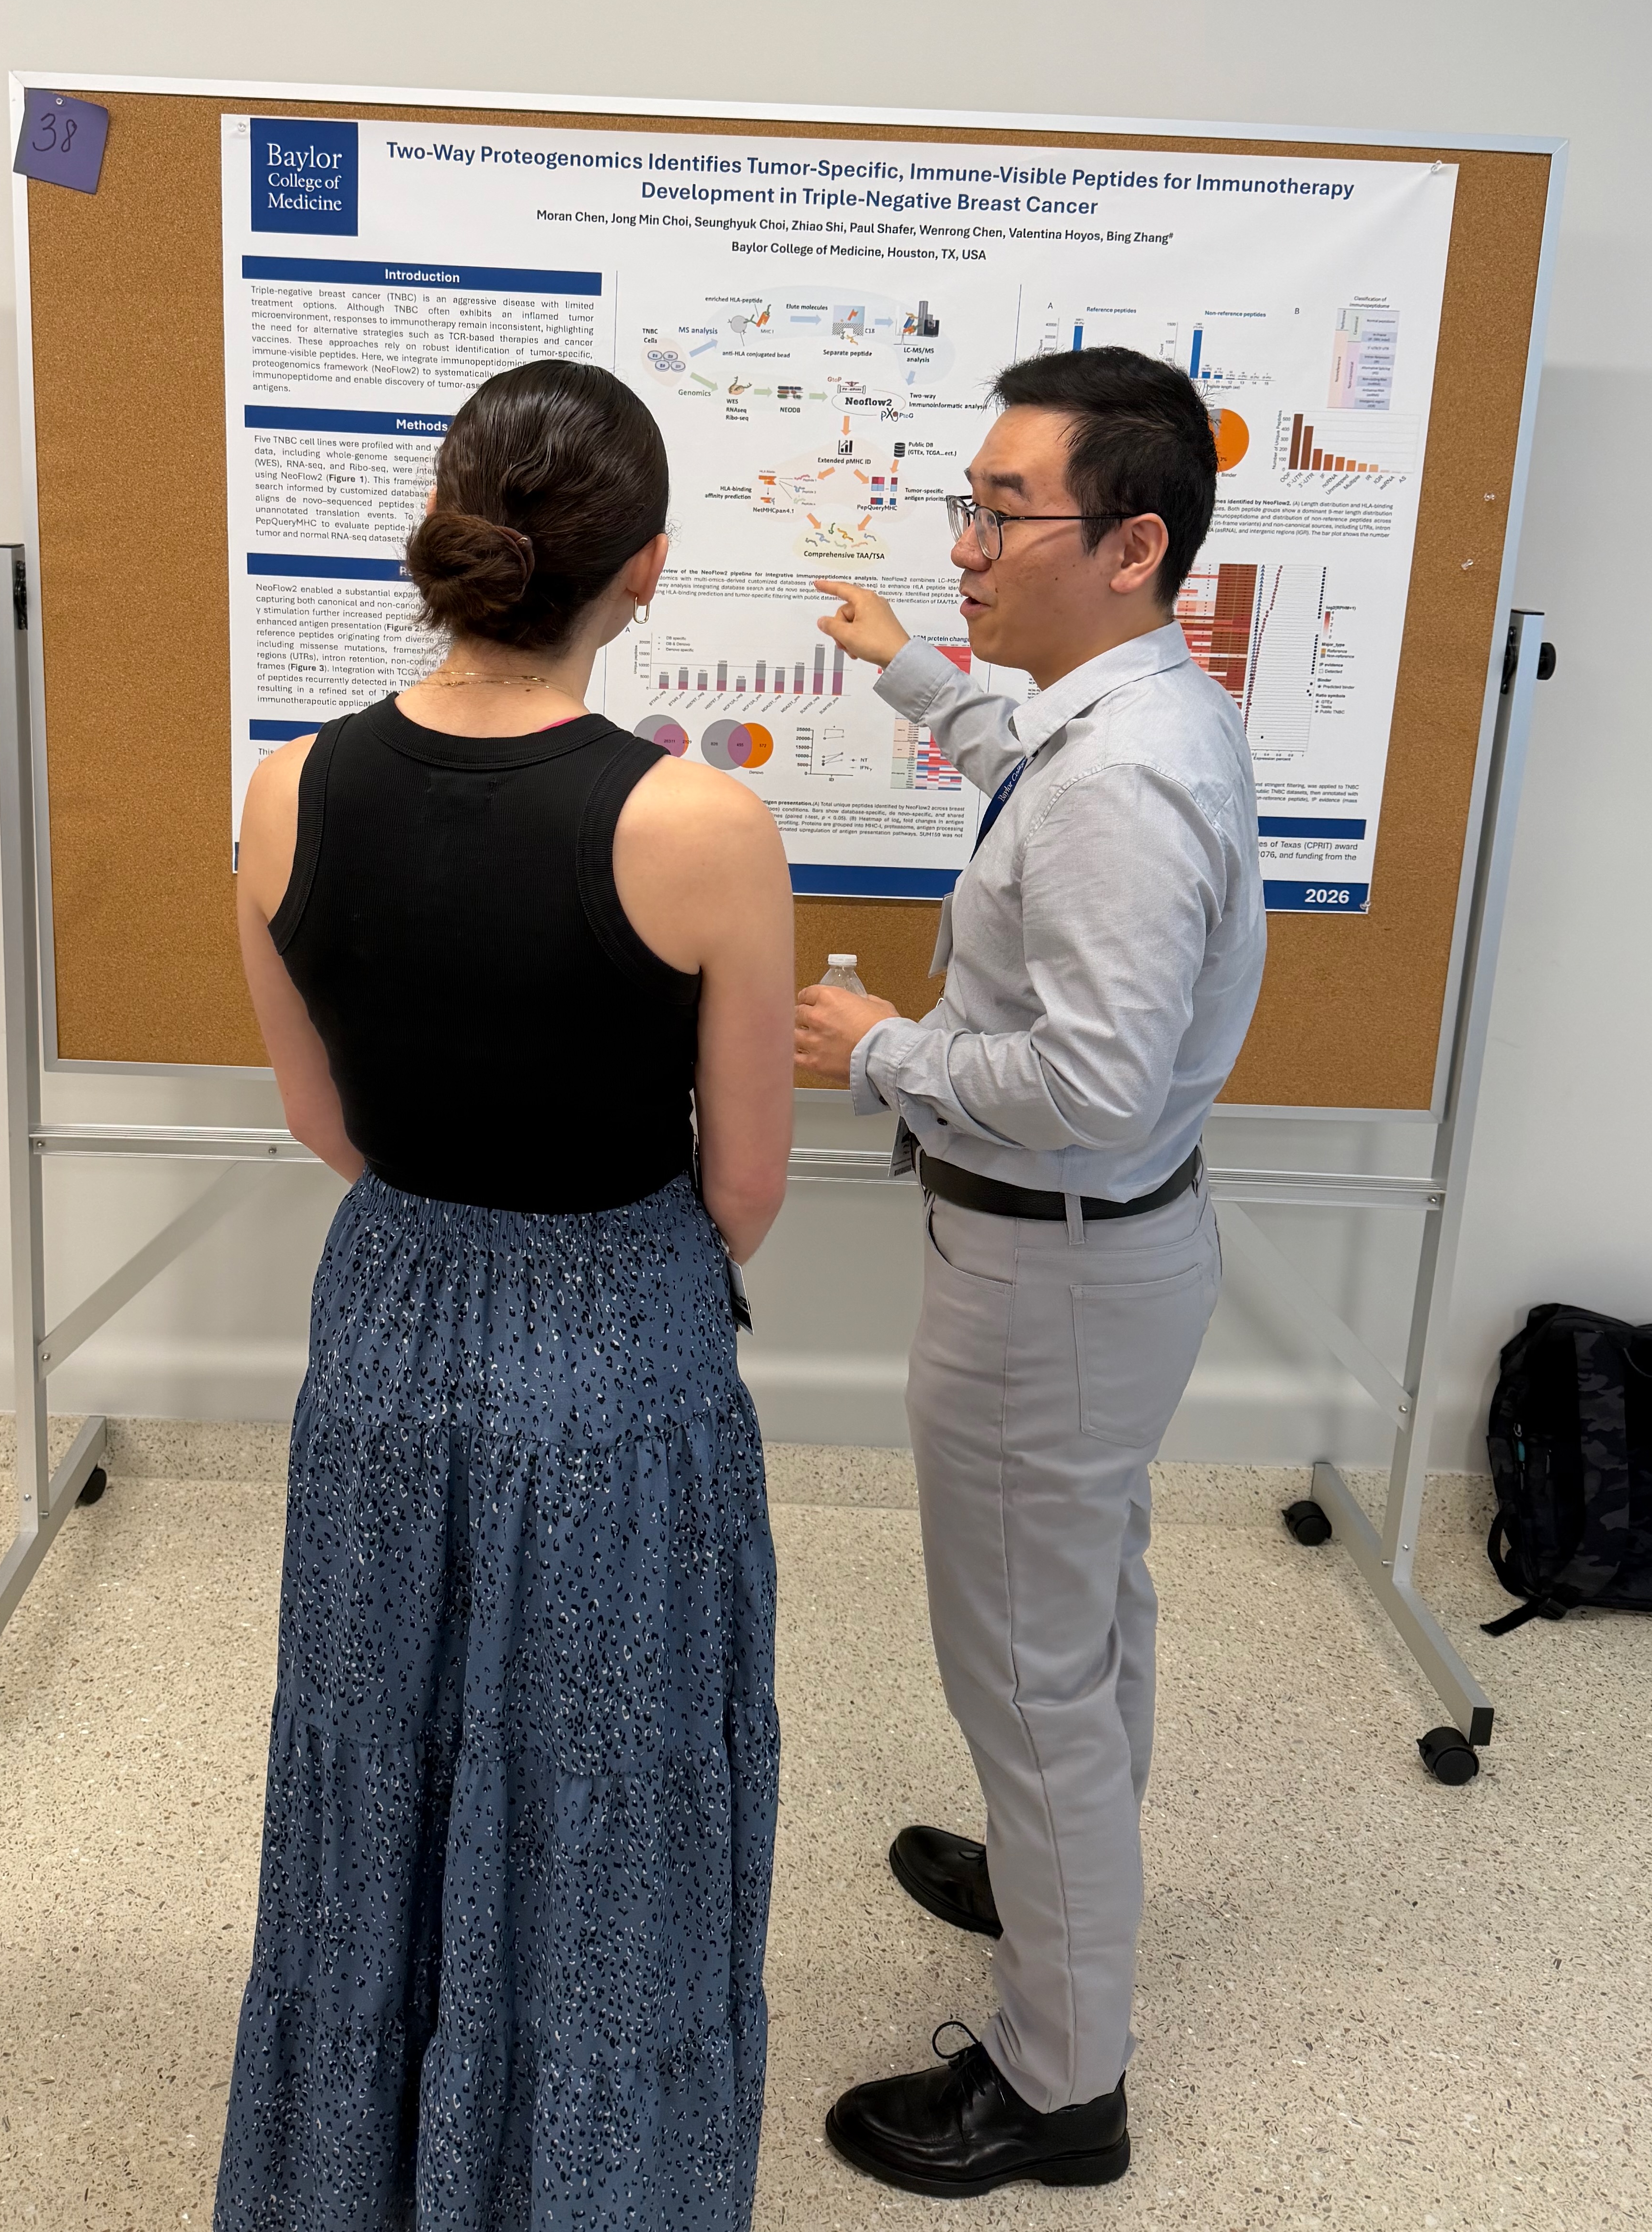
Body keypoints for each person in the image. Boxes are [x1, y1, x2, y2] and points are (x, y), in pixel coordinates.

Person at [215, 359, 796, 2232]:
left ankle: (353, 2184)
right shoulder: (699, 827)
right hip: (618, 1338)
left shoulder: (286, 788)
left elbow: (324, 1121)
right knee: (607, 1794)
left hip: (384, 1315)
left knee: (376, 1768)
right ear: (643, 571)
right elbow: (748, 1189)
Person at [795, 346, 1265, 2198]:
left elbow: (1083, 1086)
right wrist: (910, 664)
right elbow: (1028, 776)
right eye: (970, 503)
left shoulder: (1120, 781)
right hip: (1106, 1265)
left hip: (1049, 1275)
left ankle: (1060, 2082)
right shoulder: (1130, 711)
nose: (971, 542)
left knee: (1026, 1667)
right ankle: (1045, 1863)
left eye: (1006, 512)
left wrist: (872, 1044)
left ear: (1131, 543)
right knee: (1082, 1606)